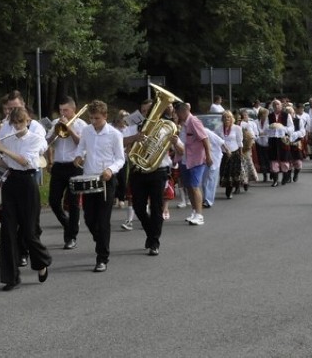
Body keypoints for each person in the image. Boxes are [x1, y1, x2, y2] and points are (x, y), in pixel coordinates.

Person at [0, 107, 52, 290]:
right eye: (14, 123)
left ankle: (42, 262)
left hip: (27, 184)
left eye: (21, 122)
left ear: (28, 121)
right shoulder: (8, 138)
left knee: (29, 231)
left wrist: (2, 149)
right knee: (7, 231)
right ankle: (11, 278)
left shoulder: (35, 139)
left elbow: (25, 161)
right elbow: (6, 163)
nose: (17, 126)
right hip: (11, 182)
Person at [73, 100, 125, 272]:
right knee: (89, 218)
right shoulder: (87, 131)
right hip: (89, 177)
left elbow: (120, 159)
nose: (93, 121)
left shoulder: (114, 134)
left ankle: (102, 257)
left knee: (103, 221)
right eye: (91, 118)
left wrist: (110, 169)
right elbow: (80, 148)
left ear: (105, 116)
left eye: (97, 118)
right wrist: (78, 156)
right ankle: (101, 239)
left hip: (106, 180)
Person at [128, 111, 183, 256]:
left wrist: (175, 142)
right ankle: (150, 233)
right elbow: (120, 143)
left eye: (152, 109)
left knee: (156, 207)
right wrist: (134, 138)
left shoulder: (165, 128)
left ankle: (154, 242)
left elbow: (182, 151)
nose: (149, 113)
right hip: (137, 170)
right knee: (138, 207)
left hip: (158, 171)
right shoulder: (133, 127)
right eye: (146, 110)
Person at [45, 96, 87, 249]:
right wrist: (53, 134)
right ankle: (68, 225)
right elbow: (46, 143)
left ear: (73, 110)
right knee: (53, 201)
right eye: (61, 110)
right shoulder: (56, 123)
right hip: (58, 166)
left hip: (74, 166)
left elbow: (81, 144)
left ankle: (71, 237)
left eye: (66, 110)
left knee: (74, 203)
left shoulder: (82, 125)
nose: (62, 113)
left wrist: (70, 129)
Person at [173, 102, 212, 225]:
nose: (176, 115)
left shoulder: (194, 121)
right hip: (185, 159)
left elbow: (205, 139)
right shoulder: (183, 124)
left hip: (196, 159)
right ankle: (194, 212)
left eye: (177, 112)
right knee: (188, 186)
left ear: (183, 112)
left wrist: (208, 156)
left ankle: (200, 215)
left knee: (195, 187)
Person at [267, 100, 294, 186]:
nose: (276, 106)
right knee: (274, 159)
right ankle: (275, 180)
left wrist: (282, 128)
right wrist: (271, 127)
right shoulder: (270, 116)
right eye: (274, 105)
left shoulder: (286, 115)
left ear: (281, 106)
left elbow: (291, 128)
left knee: (284, 159)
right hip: (273, 139)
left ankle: (285, 176)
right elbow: (266, 128)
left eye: (278, 104)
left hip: (283, 139)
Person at [218, 111, 243, 198]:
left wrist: (241, 153)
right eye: (224, 117)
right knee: (224, 173)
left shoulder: (237, 128)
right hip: (223, 154)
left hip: (234, 153)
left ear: (232, 118)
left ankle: (230, 191)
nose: (226, 119)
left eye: (228, 117)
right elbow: (216, 141)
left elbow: (240, 142)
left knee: (232, 173)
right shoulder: (218, 128)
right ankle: (228, 188)